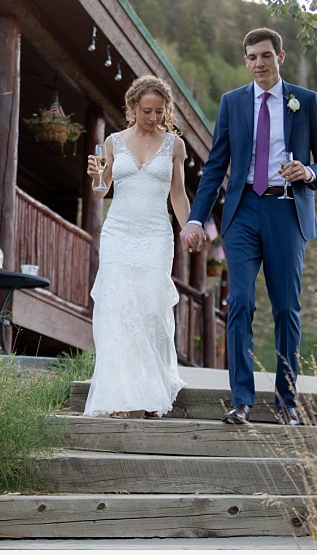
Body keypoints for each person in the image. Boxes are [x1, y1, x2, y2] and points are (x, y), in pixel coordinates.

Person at [181, 27, 317, 426]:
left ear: (279, 57)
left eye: (265, 56)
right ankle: (241, 399)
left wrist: (308, 171)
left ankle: (287, 402)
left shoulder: (305, 100)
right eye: (251, 57)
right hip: (243, 212)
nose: (257, 64)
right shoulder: (232, 103)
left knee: (286, 308)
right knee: (241, 304)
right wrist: (196, 218)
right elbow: (215, 165)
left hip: (287, 211)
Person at [83, 75, 191, 419]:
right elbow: (102, 190)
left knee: (150, 308)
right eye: (147, 111)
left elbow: (178, 193)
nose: (154, 117)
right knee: (116, 307)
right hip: (119, 232)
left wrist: (190, 226)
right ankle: (119, 395)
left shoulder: (174, 145)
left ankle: (148, 393)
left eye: (160, 111)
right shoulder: (113, 143)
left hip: (157, 235)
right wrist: (96, 177)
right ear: (132, 108)